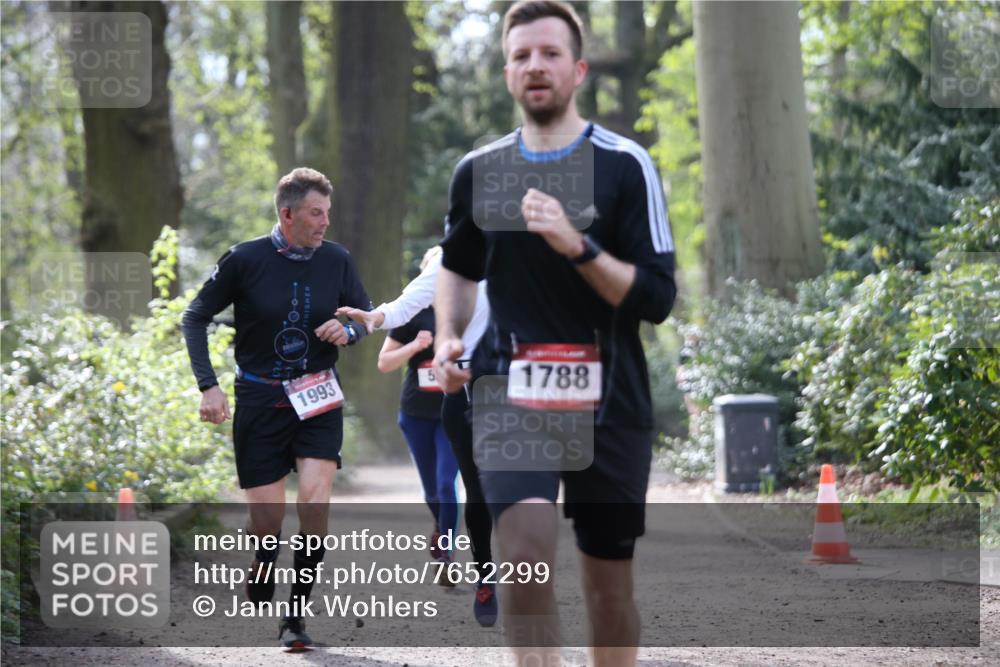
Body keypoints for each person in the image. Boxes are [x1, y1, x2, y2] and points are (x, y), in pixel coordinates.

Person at [431, 2, 676, 665]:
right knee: (526, 555)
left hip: (611, 400)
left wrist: (579, 247)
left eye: (549, 54)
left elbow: (658, 297)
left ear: (579, 69)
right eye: (520, 55)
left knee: (608, 589)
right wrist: (450, 337)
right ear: (507, 72)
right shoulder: (480, 172)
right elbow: (457, 268)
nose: (534, 65)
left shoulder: (625, 165)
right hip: (511, 391)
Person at [181, 167, 372, 650]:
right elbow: (195, 316)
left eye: (327, 213)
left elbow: (365, 317)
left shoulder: (337, 260)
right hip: (260, 398)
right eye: (315, 213)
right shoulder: (245, 259)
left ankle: (295, 615)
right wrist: (209, 386)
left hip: (318, 395)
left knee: (313, 499)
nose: (324, 222)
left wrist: (347, 331)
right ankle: (264, 560)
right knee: (267, 522)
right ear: (287, 214)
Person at [338, 245, 499, 626]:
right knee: (473, 491)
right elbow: (408, 302)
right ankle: (485, 575)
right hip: (462, 390)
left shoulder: (536, 246)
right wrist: (374, 318)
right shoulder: (454, 256)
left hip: (519, 386)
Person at [376, 249, 461, 573]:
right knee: (431, 490)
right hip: (415, 414)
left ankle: (447, 554)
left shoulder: (467, 313)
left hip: (453, 411)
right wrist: (415, 345)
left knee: (445, 483)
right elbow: (384, 363)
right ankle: (441, 528)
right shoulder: (413, 315)